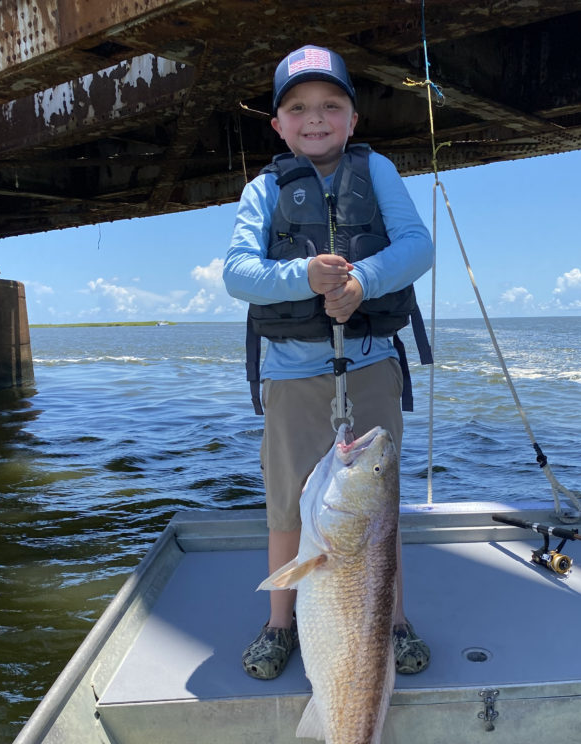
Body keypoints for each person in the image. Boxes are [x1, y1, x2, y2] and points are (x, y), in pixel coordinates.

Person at [223, 44, 434, 681]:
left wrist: (363, 281)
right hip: (292, 374)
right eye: (298, 108)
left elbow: (417, 246)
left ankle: (393, 619)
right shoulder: (262, 189)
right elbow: (238, 273)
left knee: (378, 511)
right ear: (277, 125)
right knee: (288, 507)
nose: (315, 118)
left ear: (353, 118)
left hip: (371, 366)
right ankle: (279, 624)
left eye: (330, 105)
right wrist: (304, 276)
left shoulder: (379, 171)